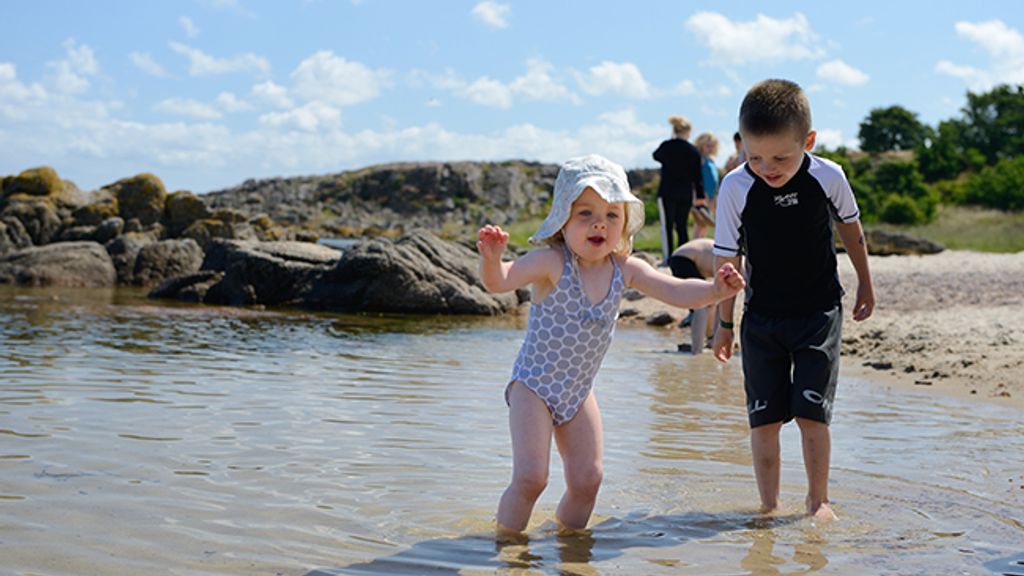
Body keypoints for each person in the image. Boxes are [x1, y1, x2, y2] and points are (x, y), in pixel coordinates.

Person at [478, 154, 745, 534]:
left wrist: (717, 289)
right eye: (585, 213)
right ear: (563, 220)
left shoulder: (625, 269)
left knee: (589, 479)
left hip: (578, 391)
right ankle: (508, 550)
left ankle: (567, 544)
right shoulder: (551, 262)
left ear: (624, 224)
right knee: (532, 478)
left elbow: (678, 291)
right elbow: (500, 282)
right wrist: (492, 259)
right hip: (533, 387)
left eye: (611, 214)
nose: (599, 223)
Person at [711, 79, 875, 521]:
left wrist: (866, 281)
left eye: (781, 156)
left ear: (809, 141)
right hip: (761, 317)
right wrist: (723, 325)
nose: (767, 167)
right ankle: (769, 506)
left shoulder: (828, 176)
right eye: (754, 156)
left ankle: (818, 499)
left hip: (818, 312)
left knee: (811, 414)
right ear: (742, 145)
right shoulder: (734, 187)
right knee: (763, 421)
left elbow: (851, 231)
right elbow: (727, 261)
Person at [653, 115, 705, 264]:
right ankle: (683, 257)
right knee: (681, 226)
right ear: (688, 132)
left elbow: (656, 156)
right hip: (685, 193)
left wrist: (671, 139)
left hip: (667, 192)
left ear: (674, 130)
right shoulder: (693, 151)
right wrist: (700, 194)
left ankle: (668, 257)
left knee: (667, 226)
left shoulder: (667, 146)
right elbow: (697, 176)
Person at [668, 238, 718, 353]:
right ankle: (697, 351)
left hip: (683, 257)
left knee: (708, 303)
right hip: (684, 259)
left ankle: (710, 340)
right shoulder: (740, 265)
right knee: (700, 304)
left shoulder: (736, 260)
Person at [693, 132, 720, 239]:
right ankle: (695, 244)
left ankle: (701, 241)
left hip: (712, 194)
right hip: (703, 194)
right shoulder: (700, 159)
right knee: (701, 222)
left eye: (712, 145)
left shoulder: (712, 160)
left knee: (707, 222)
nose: (710, 148)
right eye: (707, 145)